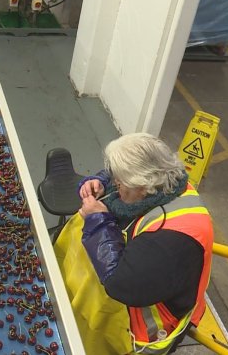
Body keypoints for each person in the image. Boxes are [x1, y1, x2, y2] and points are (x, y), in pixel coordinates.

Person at [77, 133, 214, 354]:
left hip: (146, 331)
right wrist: (101, 183)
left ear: (142, 186)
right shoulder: (167, 182)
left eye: (119, 182)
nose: (116, 185)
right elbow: (122, 179)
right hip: (156, 277)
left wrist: (99, 222)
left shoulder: (168, 242)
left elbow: (119, 284)